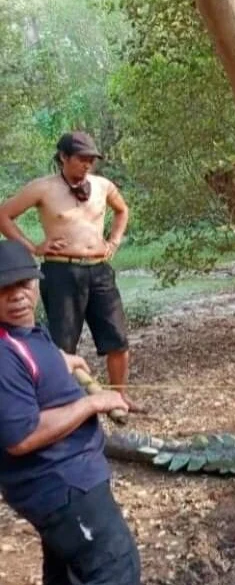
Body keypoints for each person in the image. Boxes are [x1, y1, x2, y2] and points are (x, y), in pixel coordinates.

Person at [0, 239, 141, 584]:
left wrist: (61, 361)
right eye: (4, 289)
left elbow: (30, 362)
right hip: (60, 486)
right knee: (115, 568)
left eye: (24, 283)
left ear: (37, 282)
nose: (17, 295)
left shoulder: (24, 334)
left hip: (66, 480)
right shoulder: (3, 357)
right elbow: (22, 436)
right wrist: (92, 402)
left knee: (67, 574)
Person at [0, 131, 144, 413]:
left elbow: (122, 210)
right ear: (64, 157)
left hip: (99, 270)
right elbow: (4, 215)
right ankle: (64, 401)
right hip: (61, 272)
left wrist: (113, 241)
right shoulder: (43, 188)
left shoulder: (103, 186)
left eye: (91, 160)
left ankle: (120, 397)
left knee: (117, 339)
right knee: (63, 342)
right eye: (81, 159)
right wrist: (33, 247)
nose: (87, 165)